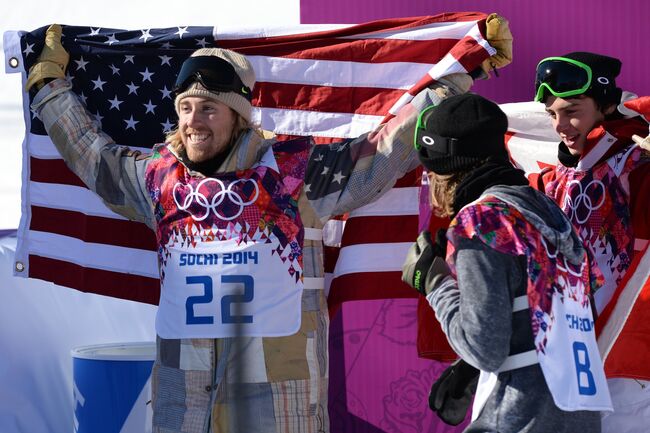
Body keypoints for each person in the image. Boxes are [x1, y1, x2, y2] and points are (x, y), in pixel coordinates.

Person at [25, 24, 481, 433]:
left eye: (208, 109)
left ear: (238, 115)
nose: (192, 121)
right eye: (185, 108)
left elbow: (384, 149)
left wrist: (457, 77)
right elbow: (93, 156)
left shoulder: (294, 173)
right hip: (184, 409)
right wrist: (48, 85)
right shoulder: (159, 181)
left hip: (278, 408)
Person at [402, 93, 612, 432]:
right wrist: (467, 370)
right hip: (577, 417)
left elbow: (485, 348)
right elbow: (561, 315)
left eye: (429, 175)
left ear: (445, 168)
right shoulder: (550, 213)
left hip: (517, 418)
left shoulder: (481, 222)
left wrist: (435, 283)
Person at [531, 52, 650, 432]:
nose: (561, 125)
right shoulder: (557, 176)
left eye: (572, 110)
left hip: (626, 360)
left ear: (606, 104)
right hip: (574, 358)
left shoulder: (637, 164)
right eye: (552, 114)